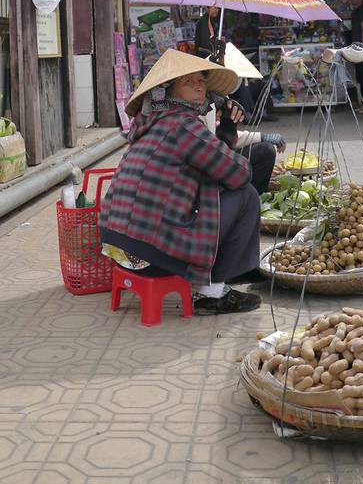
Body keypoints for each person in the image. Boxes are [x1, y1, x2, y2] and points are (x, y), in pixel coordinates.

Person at [100, 49, 262, 315]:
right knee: (247, 196)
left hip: (117, 248)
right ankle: (211, 293)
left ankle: (215, 277)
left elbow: (215, 164)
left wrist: (226, 126)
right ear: (168, 91)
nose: (199, 87)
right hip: (146, 257)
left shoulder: (152, 122)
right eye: (189, 82)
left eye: (201, 81)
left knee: (213, 191)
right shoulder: (182, 125)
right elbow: (239, 173)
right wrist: (228, 130)